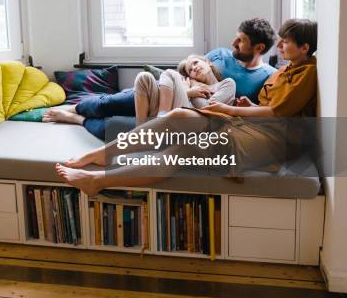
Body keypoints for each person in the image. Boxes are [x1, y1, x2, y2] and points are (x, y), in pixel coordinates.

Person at [55, 19, 317, 196]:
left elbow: (277, 112)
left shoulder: (306, 74)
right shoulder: (284, 71)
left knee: (182, 148)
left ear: (305, 47)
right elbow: (266, 104)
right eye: (280, 40)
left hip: (272, 138)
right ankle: (102, 154)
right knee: (179, 114)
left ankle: (96, 181)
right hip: (242, 119)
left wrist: (232, 109)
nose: (280, 46)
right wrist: (247, 105)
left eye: (286, 42)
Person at [44, 18, 276, 136]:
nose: (233, 43)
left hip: (192, 109)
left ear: (258, 47)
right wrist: (190, 88)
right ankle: (73, 108)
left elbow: (262, 110)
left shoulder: (267, 76)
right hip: (169, 90)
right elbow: (187, 70)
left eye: (241, 41)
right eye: (236, 38)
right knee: (111, 102)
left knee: (115, 128)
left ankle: (77, 119)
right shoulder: (220, 54)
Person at [134, 56, 236, 125]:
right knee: (143, 77)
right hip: (174, 116)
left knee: (170, 73)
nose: (194, 68)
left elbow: (206, 109)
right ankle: (140, 131)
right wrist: (189, 92)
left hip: (198, 125)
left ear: (208, 62)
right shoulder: (190, 89)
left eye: (195, 63)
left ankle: (161, 118)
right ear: (190, 76)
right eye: (190, 70)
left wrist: (192, 90)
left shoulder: (227, 83)